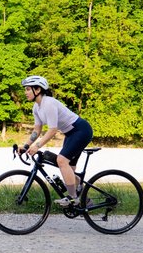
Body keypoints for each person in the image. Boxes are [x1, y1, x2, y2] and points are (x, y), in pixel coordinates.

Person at [19, 75, 93, 207]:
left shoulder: (49, 103)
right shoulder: (36, 107)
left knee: (61, 160)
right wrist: (25, 146)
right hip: (70, 134)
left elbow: (52, 130)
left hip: (81, 130)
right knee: (68, 170)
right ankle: (84, 197)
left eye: (28, 89)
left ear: (38, 89)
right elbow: (37, 130)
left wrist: (37, 146)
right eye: (25, 89)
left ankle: (72, 198)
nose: (25, 92)